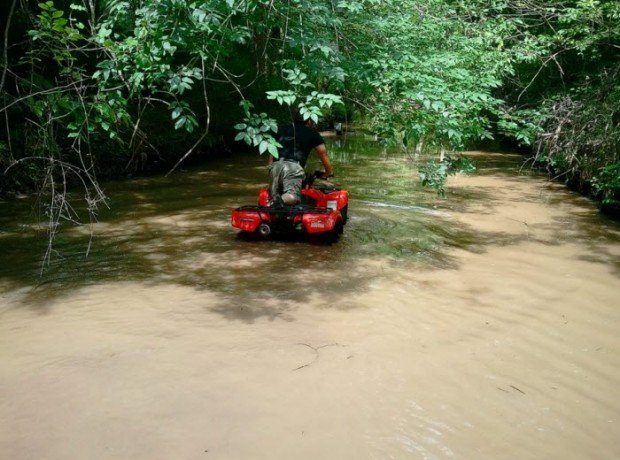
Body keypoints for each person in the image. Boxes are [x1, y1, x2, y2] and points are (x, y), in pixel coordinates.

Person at [267, 114, 333, 207]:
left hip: (276, 165)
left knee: (275, 195)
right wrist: (328, 172)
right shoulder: (312, 133)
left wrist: (270, 168)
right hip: (293, 167)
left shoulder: (283, 129)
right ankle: (273, 204)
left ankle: (273, 204)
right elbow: (323, 154)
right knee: (293, 197)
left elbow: (272, 150)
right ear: (309, 121)